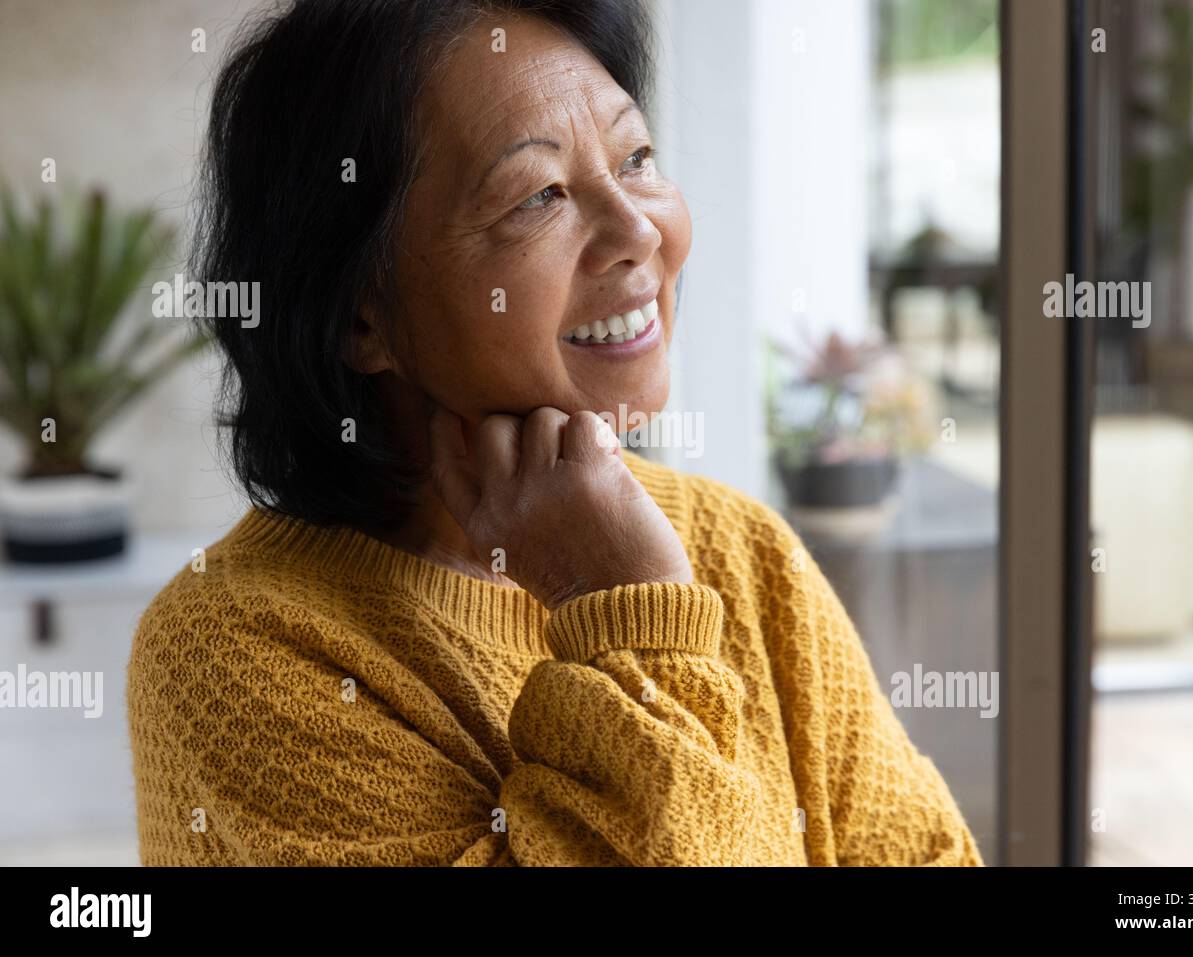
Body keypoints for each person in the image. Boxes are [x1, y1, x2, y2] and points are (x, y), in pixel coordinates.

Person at [127, 0, 984, 867]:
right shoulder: (236, 649)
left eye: (636, 158)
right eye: (539, 195)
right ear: (361, 315)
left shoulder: (743, 549)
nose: (639, 230)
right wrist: (628, 614)